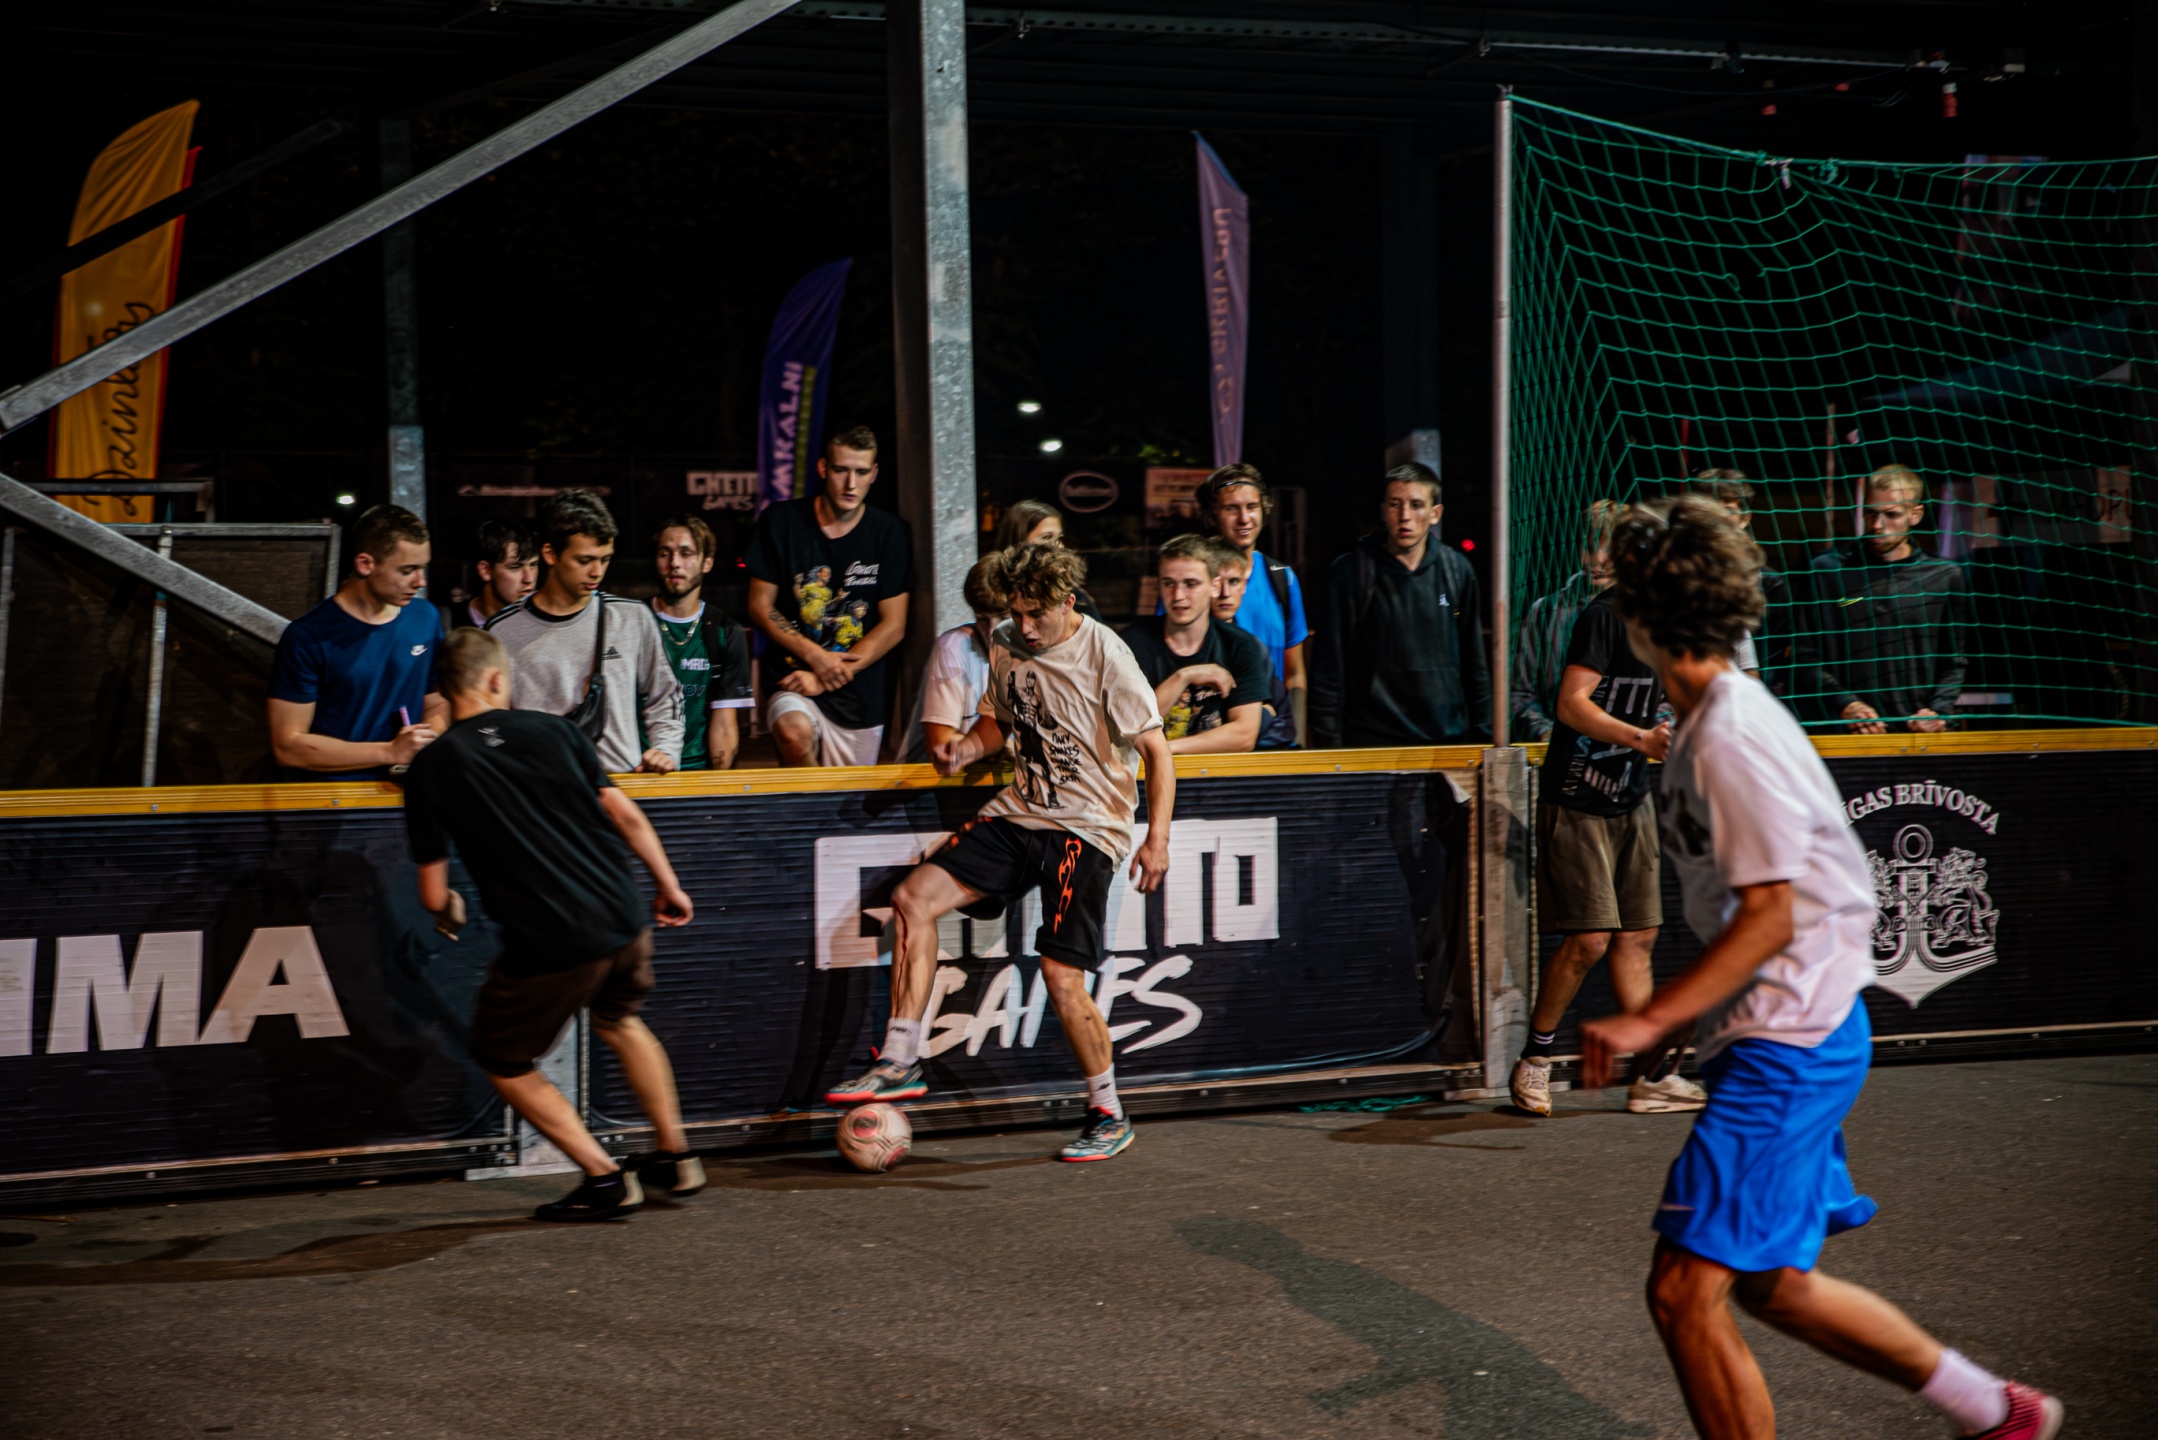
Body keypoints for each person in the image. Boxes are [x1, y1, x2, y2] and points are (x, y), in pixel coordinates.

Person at [1580, 495, 2061, 1440]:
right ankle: (1997, 1411)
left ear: (1643, 618)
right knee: (1772, 1285)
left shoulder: (1729, 735)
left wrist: (1649, 1017)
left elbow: (1775, 913)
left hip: (1790, 1044)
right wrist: (1690, 1019)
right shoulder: (1708, 723)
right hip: (1794, 1032)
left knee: (1682, 1292)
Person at [824, 542, 1174, 1164]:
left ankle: (1108, 1112)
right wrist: (964, 748)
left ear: (1067, 603)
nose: (1024, 625)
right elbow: (1002, 720)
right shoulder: (1008, 641)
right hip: (1020, 812)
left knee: (1061, 976)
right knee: (911, 899)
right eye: (1016, 612)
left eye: (1037, 613)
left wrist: (1157, 839)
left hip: (1087, 828)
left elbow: (1157, 753)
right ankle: (901, 1057)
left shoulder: (1107, 655)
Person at [404, 628, 703, 1223]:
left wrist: (449, 909)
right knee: (620, 1019)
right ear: (497, 679)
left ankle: (605, 1178)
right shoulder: (556, 730)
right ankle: (677, 1156)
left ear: (444, 688)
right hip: (622, 912)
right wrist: (670, 886)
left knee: (503, 1057)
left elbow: (434, 892)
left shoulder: (431, 767)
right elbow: (625, 815)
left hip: (553, 936)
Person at [1510, 526, 1704, 1119]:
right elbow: (1572, 703)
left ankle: (1649, 1078)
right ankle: (1535, 1059)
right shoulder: (1604, 615)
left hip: (1630, 794)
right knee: (1589, 940)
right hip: (1577, 794)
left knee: (1638, 936)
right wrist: (1641, 737)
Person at [746, 425, 912, 766]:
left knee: (847, 798)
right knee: (793, 733)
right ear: (823, 468)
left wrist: (825, 676)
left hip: (858, 696)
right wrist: (816, 657)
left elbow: (894, 626)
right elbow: (759, 605)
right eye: (841, 470)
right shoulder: (781, 520)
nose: (851, 483)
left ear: (873, 474)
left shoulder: (889, 532)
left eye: (861, 472)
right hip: (792, 680)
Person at [485, 491, 682, 775]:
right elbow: (490, 723)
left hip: (620, 786)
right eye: (585, 560)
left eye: (605, 559)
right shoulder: (501, 631)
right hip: (540, 789)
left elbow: (665, 695)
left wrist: (666, 749)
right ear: (550, 554)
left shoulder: (632, 618)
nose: (597, 572)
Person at [1308, 463, 1490, 748]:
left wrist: (1484, 735)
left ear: (1435, 514)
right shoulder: (1351, 573)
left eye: (1416, 505)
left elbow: (1474, 664)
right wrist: (1328, 746)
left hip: (1445, 742)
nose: (1405, 516)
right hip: (1370, 744)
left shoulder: (1457, 570)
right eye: (1395, 504)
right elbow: (1328, 669)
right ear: (1383, 510)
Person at [268, 503, 447, 779]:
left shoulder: (425, 618)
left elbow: (436, 702)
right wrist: (389, 752)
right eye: (407, 570)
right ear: (365, 564)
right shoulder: (308, 636)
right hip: (333, 796)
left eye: (423, 568)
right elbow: (288, 746)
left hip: (407, 791)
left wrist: (424, 741)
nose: (420, 581)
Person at [1805, 464, 1969, 735]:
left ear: (1915, 514)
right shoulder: (1828, 570)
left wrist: (1937, 710)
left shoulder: (1944, 576)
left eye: (1891, 514)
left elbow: (1953, 660)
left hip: (1917, 733)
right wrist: (1845, 704)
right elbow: (1804, 656)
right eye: (1871, 513)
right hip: (1845, 734)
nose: (1877, 525)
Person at [1120, 534, 1269, 754]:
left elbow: (1243, 735)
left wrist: (1165, 750)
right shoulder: (1129, 645)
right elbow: (1129, 728)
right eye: (1169, 583)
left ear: (1214, 586)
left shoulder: (1240, 645)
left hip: (1216, 774)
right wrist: (1184, 676)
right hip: (1145, 773)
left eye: (1191, 584)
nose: (1178, 595)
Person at [1195, 464, 1306, 747]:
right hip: (1209, 741)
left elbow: (1294, 674)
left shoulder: (1282, 579)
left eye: (1252, 507)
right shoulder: (1189, 582)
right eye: (1231, 508)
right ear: (1212, 515)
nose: (1244, 518)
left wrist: (1298, 740)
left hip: (1274, 737)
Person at [1512, 500, 1623, 740]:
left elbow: (1667, 698)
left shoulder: (1646, 615)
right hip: (1563, 747)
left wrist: (1639, 734)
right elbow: (1520, 694)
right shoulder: (1545, 611)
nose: (1598, 559)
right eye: (1589, 547)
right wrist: (1545, 732)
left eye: (1609, 548)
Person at [649, 514, 752, 771]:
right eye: (665, 553)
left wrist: (717, 786)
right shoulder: (633, 622)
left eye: (686, 554)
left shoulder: (725, 631)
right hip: (641, 770)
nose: (674, 563)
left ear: (707, 562)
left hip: (697, 773)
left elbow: (724, 724)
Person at [1689, 470, 1791, 691]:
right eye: (1709, 510)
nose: (1717, 519)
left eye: (1728, 510)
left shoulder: (1769, 582)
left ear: (1745, 518)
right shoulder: (1679, 572)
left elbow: (1775, 652)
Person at [897, 557, 1003, 764]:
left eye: (1004, 618)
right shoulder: (953, 647)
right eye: (982, 619)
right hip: (931, 781)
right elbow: (942, 744)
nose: (992, 633)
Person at [995, 498, 1104, 622]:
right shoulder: (994, 593)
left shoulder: (1074, 596)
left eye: (1059, 538)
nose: (1059, 546)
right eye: (1047, 537)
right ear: (1019, 540)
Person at [447, 518, 540, 631]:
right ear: (485, 570)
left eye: (533, 564)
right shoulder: (449, 624)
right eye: (515, 567)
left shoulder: (543, 622)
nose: (529, 578)